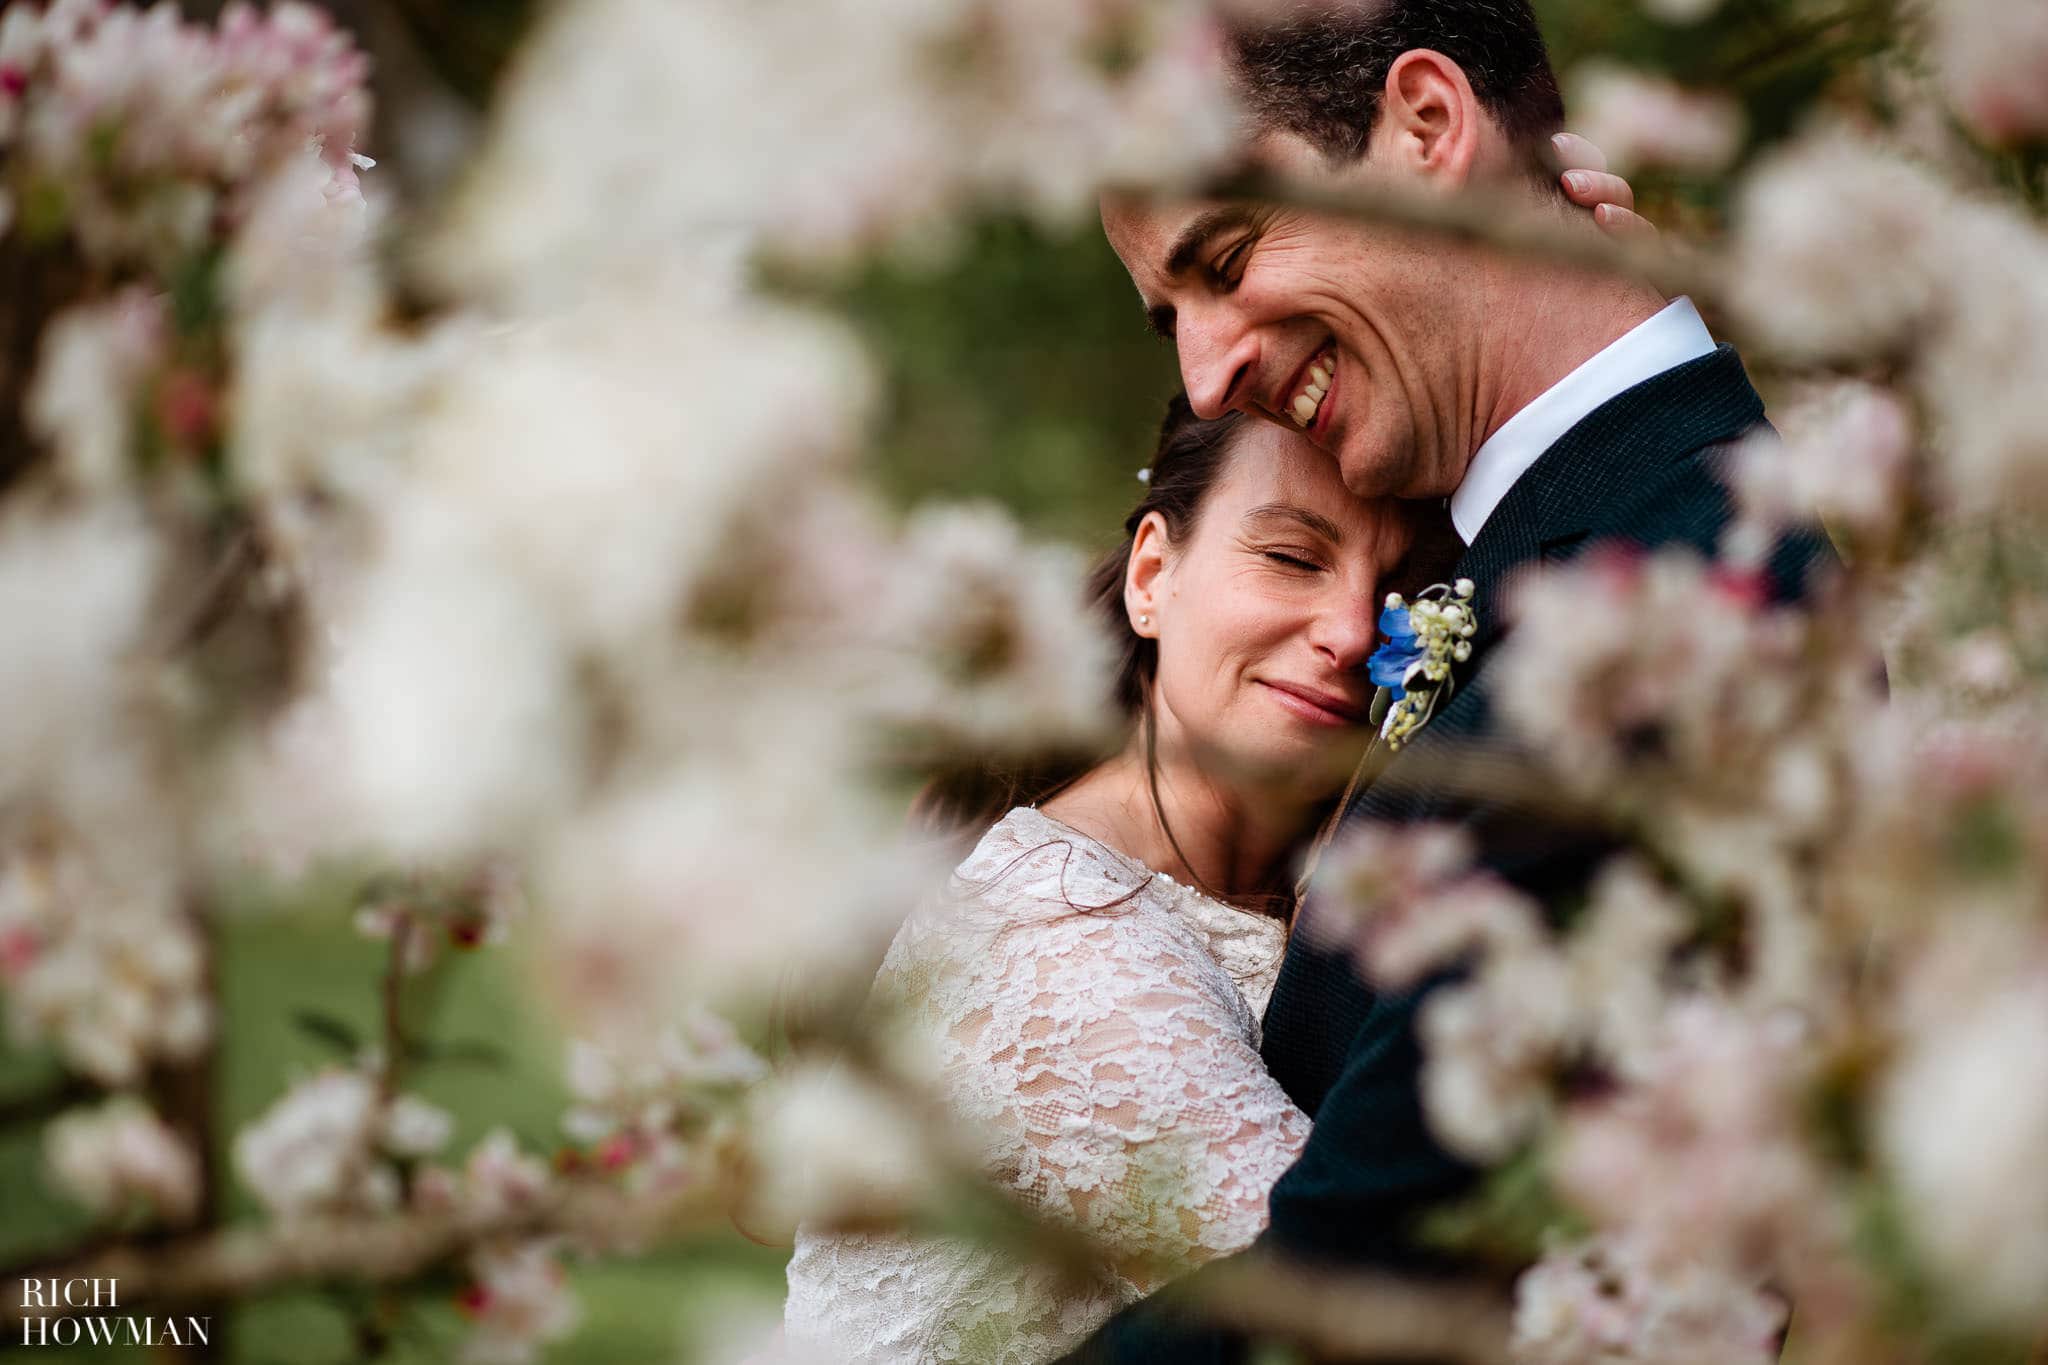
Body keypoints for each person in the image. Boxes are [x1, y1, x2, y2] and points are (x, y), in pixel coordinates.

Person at [784, 114, 1644, 1357]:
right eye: (1289, 556)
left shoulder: (1312, 877)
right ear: (1151, 575)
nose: (1350, 630)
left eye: (1404, 598)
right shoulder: (1069, 951)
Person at [1064, 3, 1837, 1362]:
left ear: (1428, 126)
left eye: (1230, 258)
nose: (1206, 372)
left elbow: (1367, 1284)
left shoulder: (1665, 618)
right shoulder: (1565, 542)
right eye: (1168, 314)